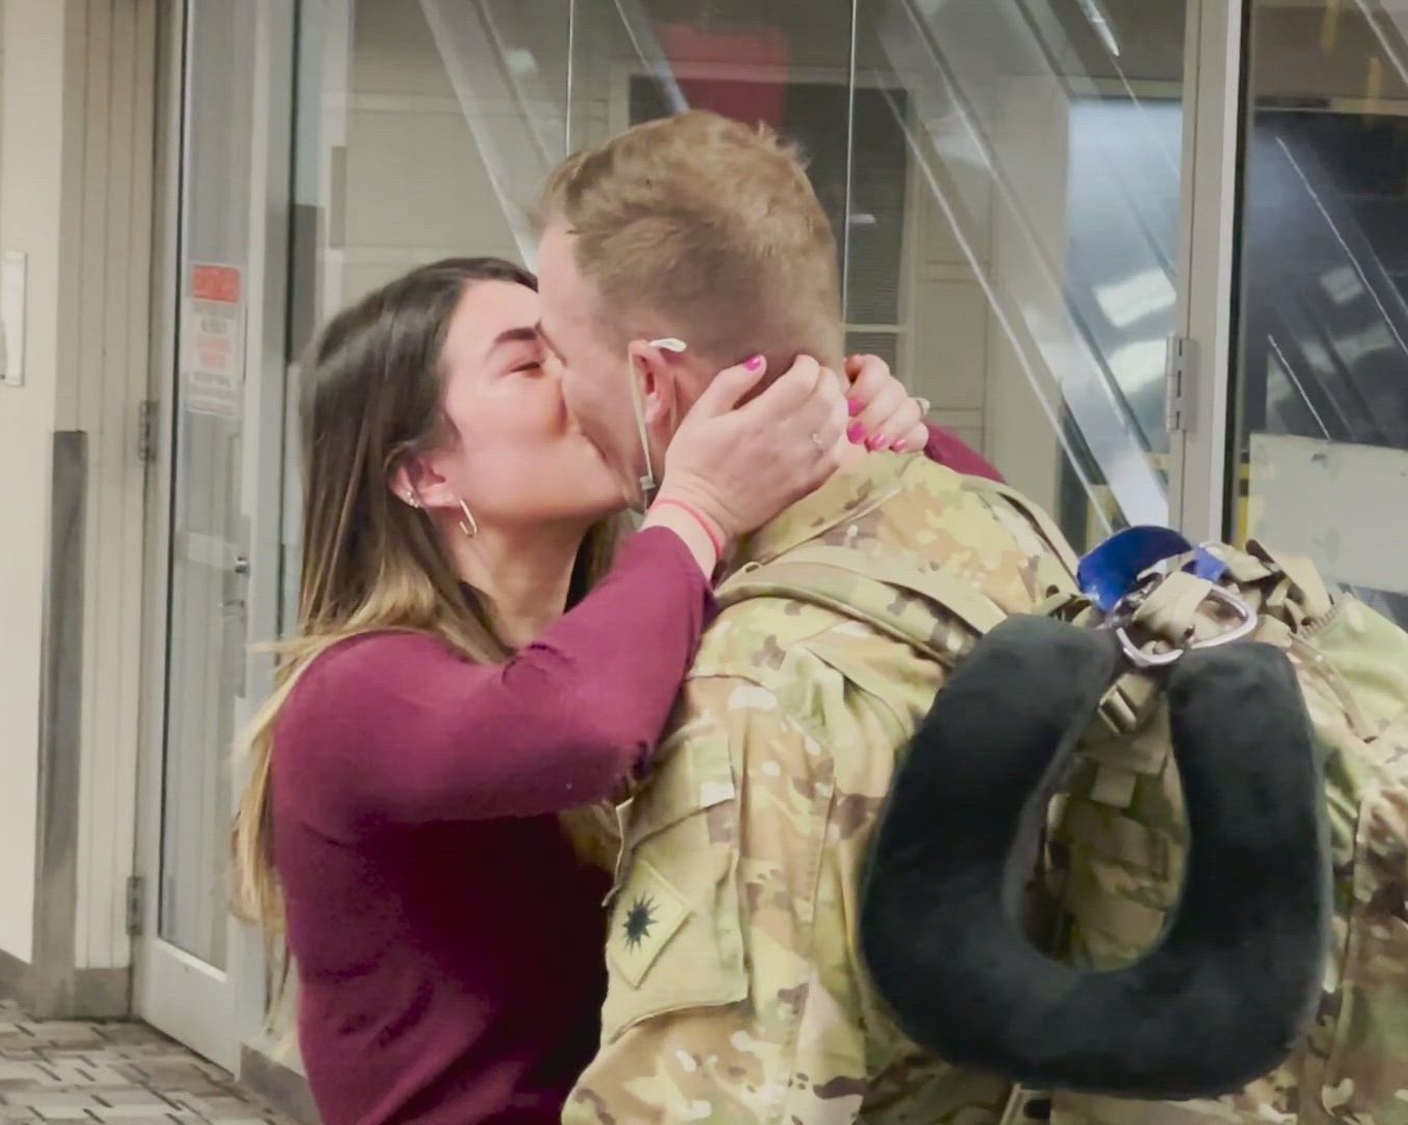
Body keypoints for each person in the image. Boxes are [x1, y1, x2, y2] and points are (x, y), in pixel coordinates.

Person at [225, 255, 997, 1125]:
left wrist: (894, 438)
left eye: (573, 350)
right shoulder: (353, 690)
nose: (582, 381)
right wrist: (696, 505)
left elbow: (991, 589)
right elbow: (582, 729)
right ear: (425, 476)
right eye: (528, 364)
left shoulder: (639, 627)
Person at [536, 110, 1087, 1123]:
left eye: (558, 354)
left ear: (652, 382)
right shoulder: (1007, 531)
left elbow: (705, 1102)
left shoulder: (751, 698)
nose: (560, 396)